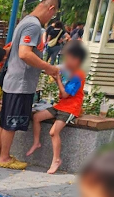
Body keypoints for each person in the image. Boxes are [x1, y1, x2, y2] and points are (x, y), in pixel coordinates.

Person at [0, 0, 61, 170]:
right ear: (51, 9)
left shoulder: (25, 21)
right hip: (21, 82)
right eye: (53, 15)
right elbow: (25, 53)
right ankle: (5, 158)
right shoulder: (33, 25)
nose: (50, 19)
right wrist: (48, 67)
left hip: (13, 80)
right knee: (12, 121)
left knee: (5, 120)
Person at [27, 40, 86, 174]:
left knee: (53, 132)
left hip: (71, 108)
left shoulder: (78, 76)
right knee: (36, 117)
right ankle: (37, 142)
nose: (66, 61)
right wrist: (55, 77)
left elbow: (65, 94)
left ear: (77, 60)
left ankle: (56, 160)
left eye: (69, 58)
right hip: (60, 105)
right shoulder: (68, 71)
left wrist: (58, 80)